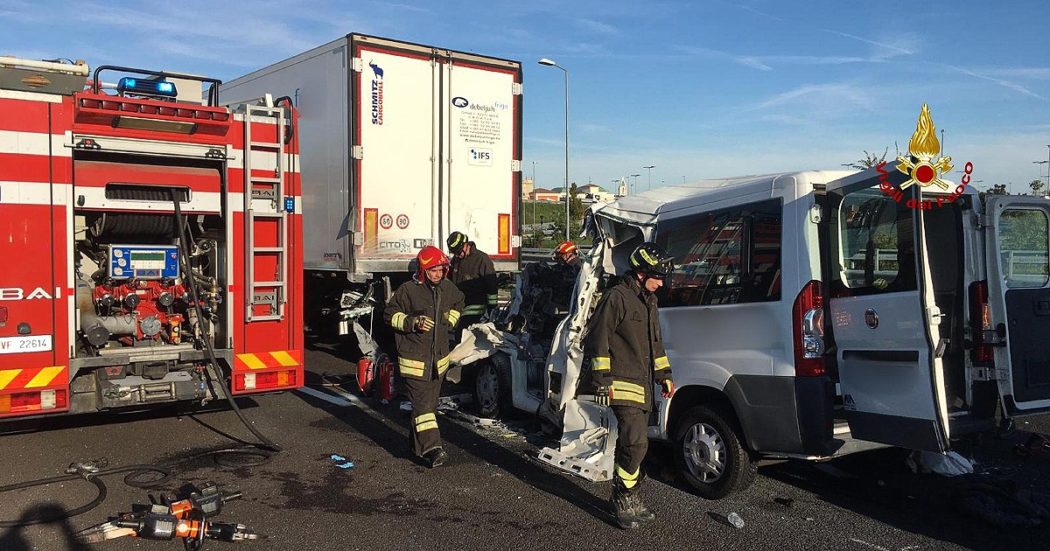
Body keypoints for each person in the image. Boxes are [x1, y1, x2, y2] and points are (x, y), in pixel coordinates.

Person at [584, 242, 676, 530]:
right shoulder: (617, 298)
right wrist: (601, 381)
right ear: (640, 273)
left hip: (644, 384)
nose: (661, 283)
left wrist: (665, 374)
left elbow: (655, 344)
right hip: (621, 384)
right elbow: (597, 340)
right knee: (636, 443)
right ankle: (622, 498)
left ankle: (630, 496)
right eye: (657, 276)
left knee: (634, 444)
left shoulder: (648, 300)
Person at [383, 246, 465, 468]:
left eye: (441, 270)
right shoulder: (408, 290)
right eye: (434, 270)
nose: (439, 274)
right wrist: (413, 322)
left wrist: (452, 319)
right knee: (424, 409)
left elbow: (459, 301)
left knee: (427, 406)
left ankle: (415, 446)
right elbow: (389, 315)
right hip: (415, 362)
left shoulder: (447, 288)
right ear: (423, 270)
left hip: (438, 364)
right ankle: (432, 449)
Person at [446, 231, 498, 328]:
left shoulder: (481, 259)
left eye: (458, 252)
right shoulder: (456, 260)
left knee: (462, 334)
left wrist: (492, 307)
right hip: (460, 305)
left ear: (466, 245)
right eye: (454, 253)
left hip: (476, 308)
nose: (457, 255)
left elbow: (491, 283)